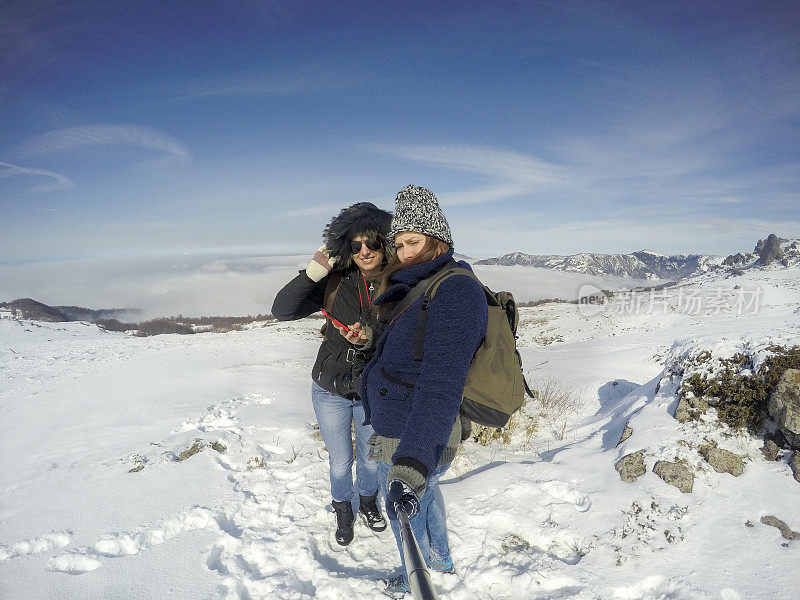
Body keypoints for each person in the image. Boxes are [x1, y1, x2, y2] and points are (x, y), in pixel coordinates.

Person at [356, 185, 488, 597]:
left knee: (405, 510)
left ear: (439, 241)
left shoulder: (454, 291)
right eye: (399, 244)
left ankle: (416, 571)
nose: (404, 253)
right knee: (425, 498)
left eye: (413, 242)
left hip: (413, 434)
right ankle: (442, 558)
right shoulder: (423, 285)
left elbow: (440, 384)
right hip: (405, 425)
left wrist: (412, 462)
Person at [271, 202, 390, 545]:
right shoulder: (335, 283)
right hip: (330, 389)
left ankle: (367, 501)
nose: (364, 251)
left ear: (384, 243)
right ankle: (343, 507)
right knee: (340, 463)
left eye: (372, 243)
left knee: (369, 460)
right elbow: (282, 310)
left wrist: (372, 337)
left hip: (372, 388)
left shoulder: (398, 283)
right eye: (355, 246)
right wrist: (312, 273)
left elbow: (407, 331)